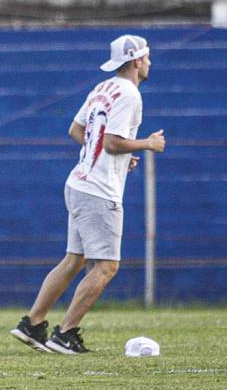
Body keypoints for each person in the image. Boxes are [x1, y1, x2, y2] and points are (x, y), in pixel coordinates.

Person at [11, 34, 166, 354]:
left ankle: (33, 324)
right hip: (99, 189)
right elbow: (111, 142)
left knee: (73, 260)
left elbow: (77, 130)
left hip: (79, 182)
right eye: (147, 57)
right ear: (137, 60)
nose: (149, 62)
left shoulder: (103, 88)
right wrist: (147, 144)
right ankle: (65, 333)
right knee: (107, 266)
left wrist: (120, 154)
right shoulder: (130, 94)